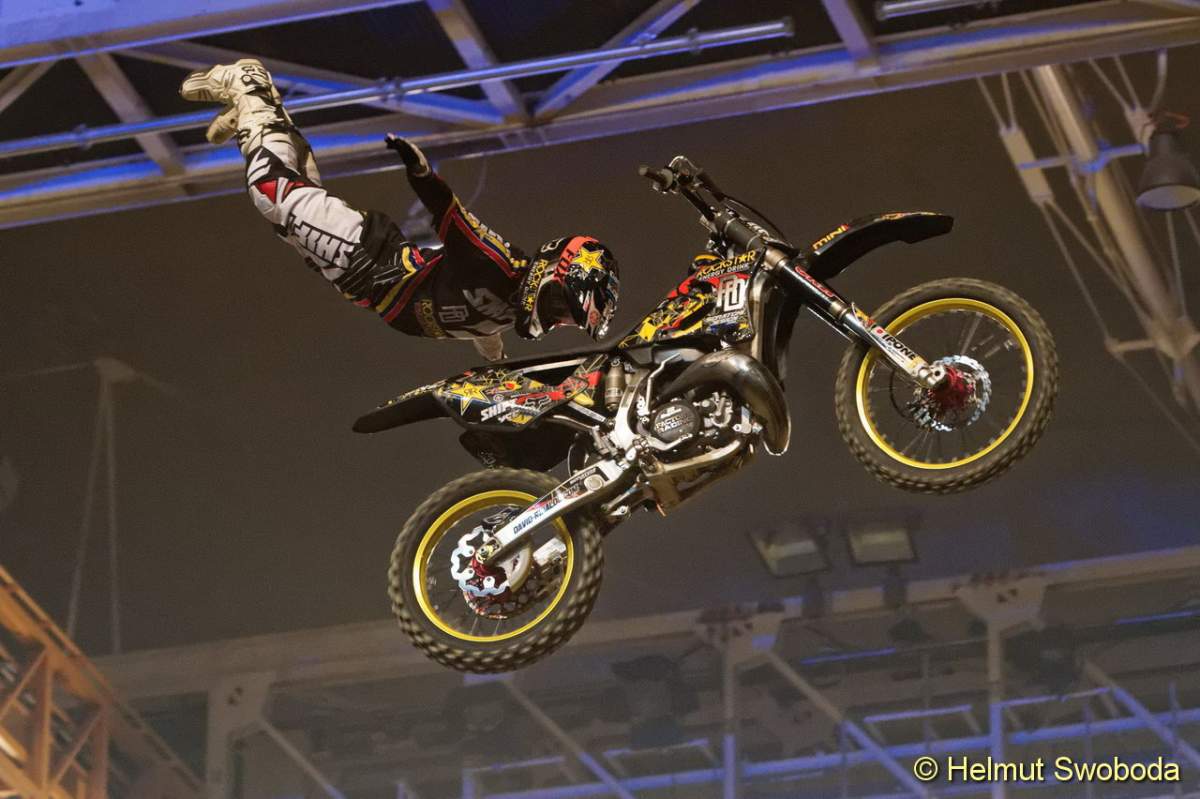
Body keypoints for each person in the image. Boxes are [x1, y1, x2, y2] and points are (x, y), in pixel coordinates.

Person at [179, 59, 620, 361]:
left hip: (359, 282)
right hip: (368, 258)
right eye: (563, 305)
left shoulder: (505, 311)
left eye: (567, 318)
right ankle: (248, 84)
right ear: (554, 268)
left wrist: (498, 368)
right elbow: (452, 216)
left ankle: (260, 116)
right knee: (272, 193)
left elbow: (485, 330)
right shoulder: (496, 264)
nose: (557, 318)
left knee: (294, 194)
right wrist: (422, 174)